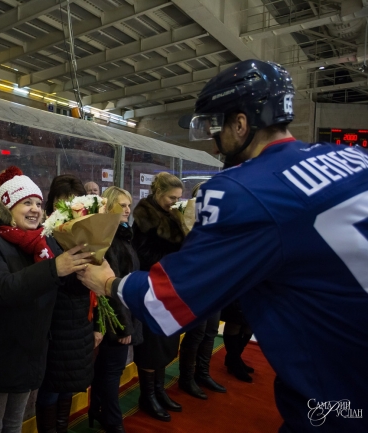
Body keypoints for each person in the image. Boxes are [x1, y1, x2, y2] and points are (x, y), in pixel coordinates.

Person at [78, 59, 368, 433]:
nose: (214, 139)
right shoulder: (354, 157)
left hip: (342, 398)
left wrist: (108, 282)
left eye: (216, 125)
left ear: (241, 123)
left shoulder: (242, 189)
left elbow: (169, 299)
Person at [0, 170, 92, 433]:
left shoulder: (43, 246)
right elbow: (1, 289)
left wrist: (87, 266)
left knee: (13, 426)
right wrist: (55, 268)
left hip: (28, 357)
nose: (35, 210)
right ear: (8, 207)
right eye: (26, 203)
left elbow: (64, 290)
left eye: (39, 204)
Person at [37, 175, 99, 433]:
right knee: (51, 387)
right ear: (52, 202)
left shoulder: (86, 234)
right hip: (55, 322)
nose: (68, 207)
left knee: (69, 385)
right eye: (63, 201)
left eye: (73, 202)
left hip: (80, 323)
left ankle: (61, 428)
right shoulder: (45, 235)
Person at [129, 172, 185, 422]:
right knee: (152, 344)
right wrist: (172, 262)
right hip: (151, 287)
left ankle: (159, 390)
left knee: (166, 340)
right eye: (171, 197)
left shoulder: (171, 214)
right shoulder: (145, 216)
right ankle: (147, 395)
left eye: (178, 198)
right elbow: (141, 255)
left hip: (168, 286)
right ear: (158, 193)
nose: (174, 202)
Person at [88, 186, 141, 433]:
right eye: (122, 205)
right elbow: (111, 286)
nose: (128, 210)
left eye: (129, 205)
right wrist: (123, 326)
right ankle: (111, 419)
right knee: (111, 370)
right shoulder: (107, 240)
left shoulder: (121, 235)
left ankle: (99, 410)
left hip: (123, 315)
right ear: (108, 207)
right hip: (116, 319)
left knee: (108, 369)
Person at [177, 181, 226, 400]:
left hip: (215, 282)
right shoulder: (185, 219)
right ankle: (186, 378)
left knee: (211, 331)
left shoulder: (219, 220)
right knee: (197, 332)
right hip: (196, 284)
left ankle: (202, 373)